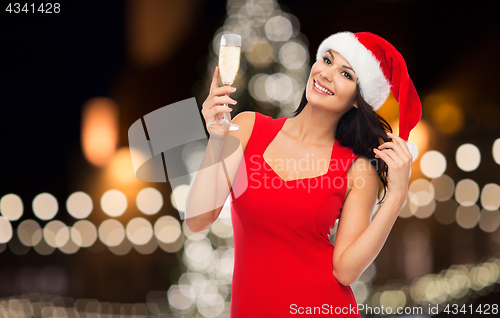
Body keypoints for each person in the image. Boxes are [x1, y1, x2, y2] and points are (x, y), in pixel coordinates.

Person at [186, 31, 422, 317]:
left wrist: (397, 195)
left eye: (346, 74)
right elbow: (198, 220)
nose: (326, 74)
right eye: (327, 60)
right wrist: (218, 138)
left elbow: (345, 271)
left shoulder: (357, 169)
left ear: (359, 99)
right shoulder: (247, 128)